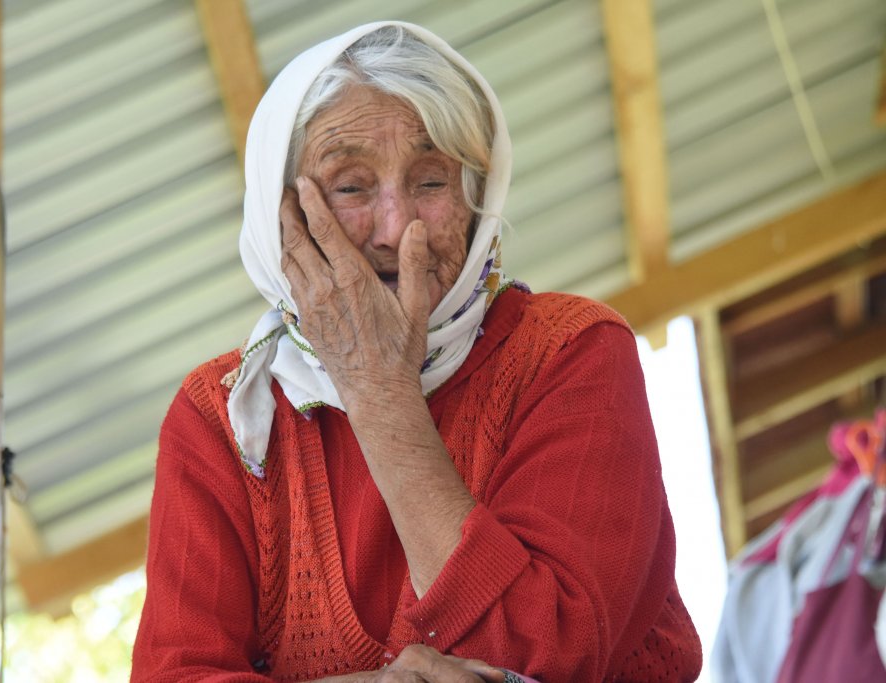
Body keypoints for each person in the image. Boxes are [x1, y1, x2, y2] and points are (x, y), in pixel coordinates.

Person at [131, 21, 702, 682]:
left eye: (432, 182)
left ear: (478, 201)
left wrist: (377, 388)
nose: (397, 227)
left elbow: (543, 657)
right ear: (280, 216)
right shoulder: (224, 419)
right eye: (350, 187)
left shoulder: (568, 352)